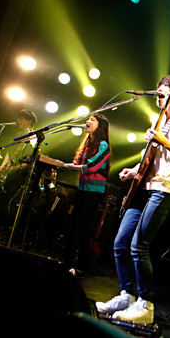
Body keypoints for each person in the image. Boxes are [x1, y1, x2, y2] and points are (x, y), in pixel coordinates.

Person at [96, 75, 170, 324]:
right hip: (143, 188)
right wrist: (134, 171)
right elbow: (151, 156)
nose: (158, 94)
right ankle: (126, 295)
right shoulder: (158, 120)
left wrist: (162, 139)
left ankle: (146, 304)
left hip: (163, 190)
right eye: (158, 90)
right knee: (120, 243)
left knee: (139, 245)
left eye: (163, 91)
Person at [61, 113, 111, 277]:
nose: (87, 121)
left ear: (100, 126)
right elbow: (78, 164)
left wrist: (67, 166)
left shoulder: (103, 146)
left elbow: (92, 167)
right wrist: (62, 165)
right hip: (82, 189)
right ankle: (67, 261)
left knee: (82, 228)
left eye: (92, 120)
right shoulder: (87, 145)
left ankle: (83, 266)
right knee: (70, 225)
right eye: (88, 119)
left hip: (94, 193)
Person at [0, 109, 38, 242]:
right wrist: (4, 165)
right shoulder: (18, 135)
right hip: (10, 172)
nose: (18, 120)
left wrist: (12, 169)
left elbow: (30, 160)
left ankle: (5, 231)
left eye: (21, 118)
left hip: (19, 175)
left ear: (29, 121)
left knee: (9, 201)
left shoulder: (33, 138)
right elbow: (9, 153)